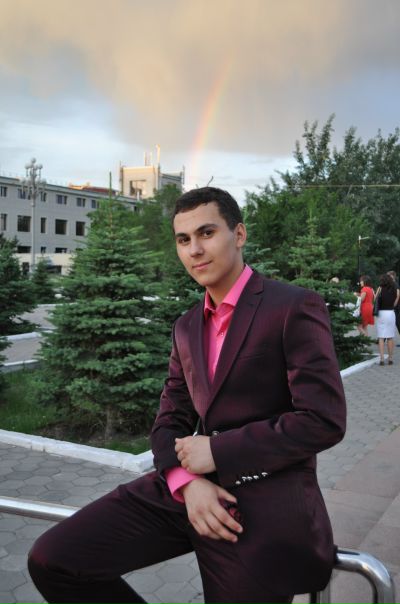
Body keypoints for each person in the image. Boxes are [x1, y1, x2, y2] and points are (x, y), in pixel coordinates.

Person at [28, 187, 346, 604]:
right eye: (183, 239)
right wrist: (185, 482)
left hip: (261, 503)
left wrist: (218, 451)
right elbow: (169, 422)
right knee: (54, 559)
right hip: (187, 491)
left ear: (239, 234)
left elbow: (322, 420)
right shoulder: (186, 326)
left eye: (206, 233)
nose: (194, 249)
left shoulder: (292, 306)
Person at [375, 273, 399, 365]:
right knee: (390, 337)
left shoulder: (380, 288)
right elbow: (395, 302)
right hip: (390, 313)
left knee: (381, 337)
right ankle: (390, 358)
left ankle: (381, 359)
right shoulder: (395, 289)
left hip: (381, 313)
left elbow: (375, 299)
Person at [387, 270, 400, 338]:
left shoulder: (395, 284)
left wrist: (394, 304)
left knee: (398, 323)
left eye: (388, 276)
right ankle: (383, 338)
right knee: (389, 323)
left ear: (392, 276)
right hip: (394, 307)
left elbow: (398, 295)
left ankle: (383, 338)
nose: (387, 277)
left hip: (396, 307)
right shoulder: (392, 284)